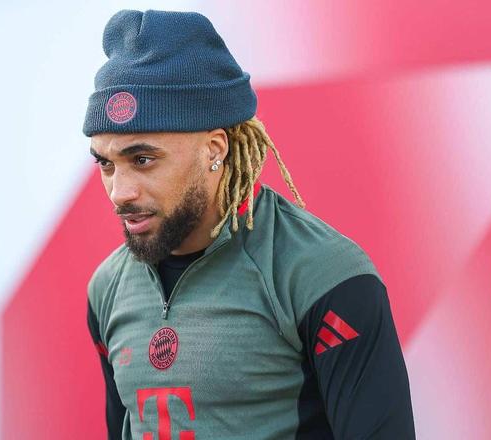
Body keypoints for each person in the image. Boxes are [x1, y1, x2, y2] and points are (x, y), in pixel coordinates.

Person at [84, 9, 415, 440]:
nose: (119, 192)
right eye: (106, 164)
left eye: (143, 159)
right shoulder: (107, 287)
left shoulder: (322, 275)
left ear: (214, 149)